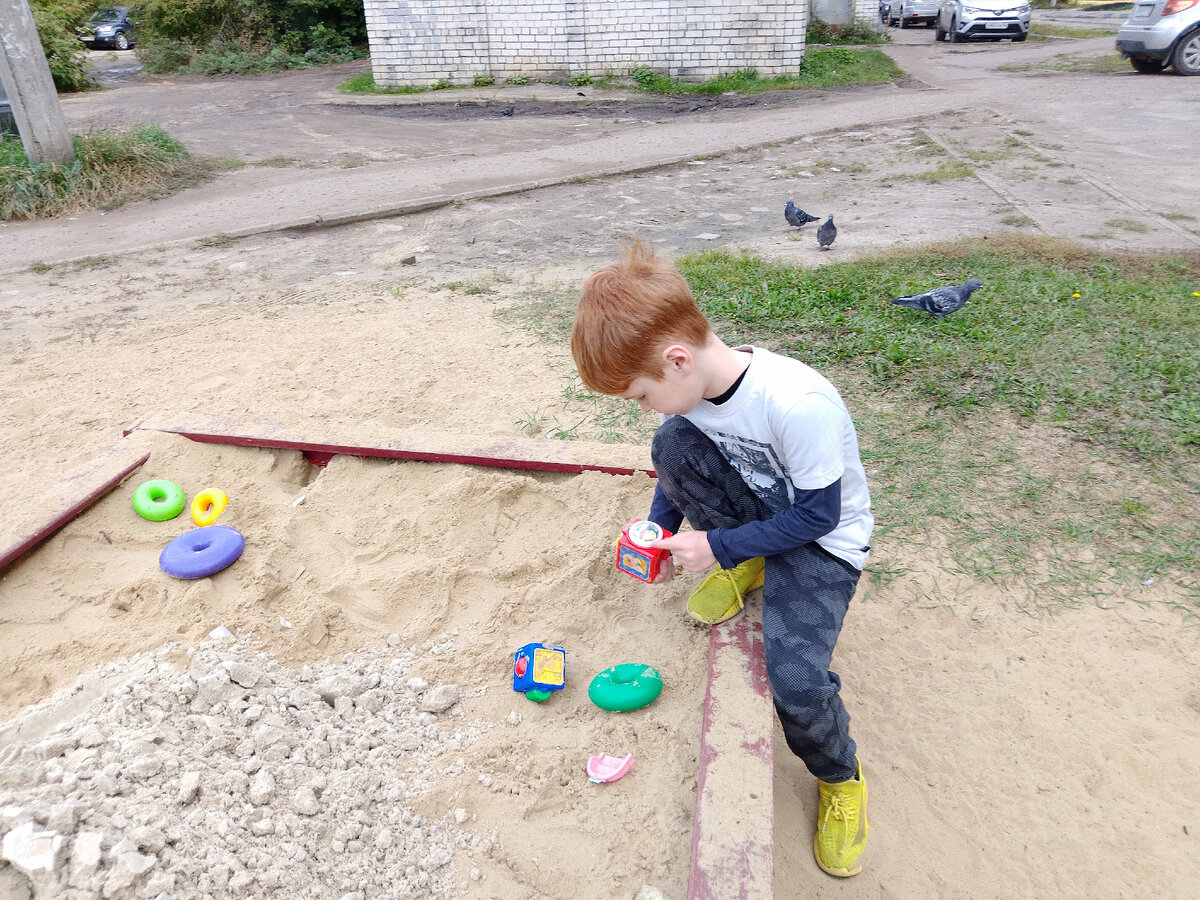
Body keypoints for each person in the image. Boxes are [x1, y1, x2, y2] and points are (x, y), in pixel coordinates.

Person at [571, 239, 874, 878]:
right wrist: (657, 529)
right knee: (672, 443)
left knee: (795, 682)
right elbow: (675, 464)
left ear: (677, 360)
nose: (641, 406)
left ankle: (840, 778)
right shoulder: (694, 394)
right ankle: (751, 561)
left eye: (640, 395)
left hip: (821, 542)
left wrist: (717, 545)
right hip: (766, 516)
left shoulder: (796, 403)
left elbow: (820, 517)